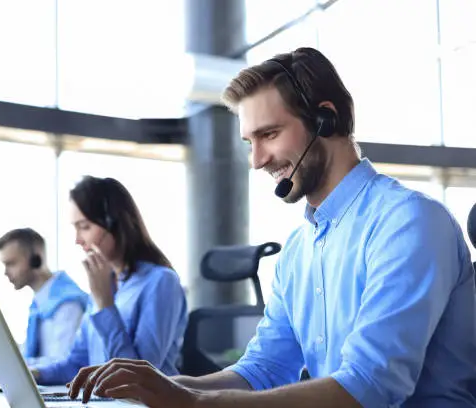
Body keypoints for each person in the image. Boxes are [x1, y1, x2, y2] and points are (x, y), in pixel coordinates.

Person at [67, 47, 476, 407]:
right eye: (249, 142)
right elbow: (262, 371)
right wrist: (154, 389)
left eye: (269, 134)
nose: (257, 160)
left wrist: (193, 403)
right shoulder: (299, 249)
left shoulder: (409, 223)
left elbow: (368, 387)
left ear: (325, 121)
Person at [23, 175, 188, 386]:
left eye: (84, 227)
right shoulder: (104, 284)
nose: (77, 239)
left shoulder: (161, 282)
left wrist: (105, 305)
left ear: (113, 223)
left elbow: (139, 378)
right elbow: (76, 364)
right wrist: (32, 373)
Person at [0, 228, 89, 367]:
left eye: (11, 264)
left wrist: (8, 364)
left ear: (35, 259)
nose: (5, 272)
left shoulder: (68, 303)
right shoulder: (38, 304)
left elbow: (62, 363)